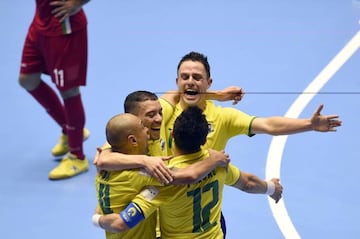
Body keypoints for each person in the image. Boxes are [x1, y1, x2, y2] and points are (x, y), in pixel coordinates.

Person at [96, 51, 342, 237]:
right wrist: (145, 160)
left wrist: (308, 125)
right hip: (165, 209)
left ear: (209, 82)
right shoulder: (164, 111)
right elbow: (103, 158)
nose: (190, 82)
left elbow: (268, 125)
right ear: (177, 81)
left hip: (167, 196)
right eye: (185, 77)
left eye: (197, 78)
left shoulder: (223, 117)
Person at [93, 106, 283, 239]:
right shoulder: (218, 162)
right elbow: (248, 183)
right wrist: (272, 188)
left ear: (172, 135)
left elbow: (124, 221)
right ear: (203, 140)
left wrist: (98, 218)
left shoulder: (161, 180)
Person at [95, 111, 231, 239]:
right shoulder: (139, 174)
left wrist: (98, 215)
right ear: (133, 140)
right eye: (142, 127)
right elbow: (190, 175)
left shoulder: (103, 169)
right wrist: (214, 160)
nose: (147, 130)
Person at [18, 0, 91, 180]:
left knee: (69, 91)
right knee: (27, 79)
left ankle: (77, 157)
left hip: (64, 28)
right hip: (40, 23)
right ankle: (72, 130)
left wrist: (77, 3)